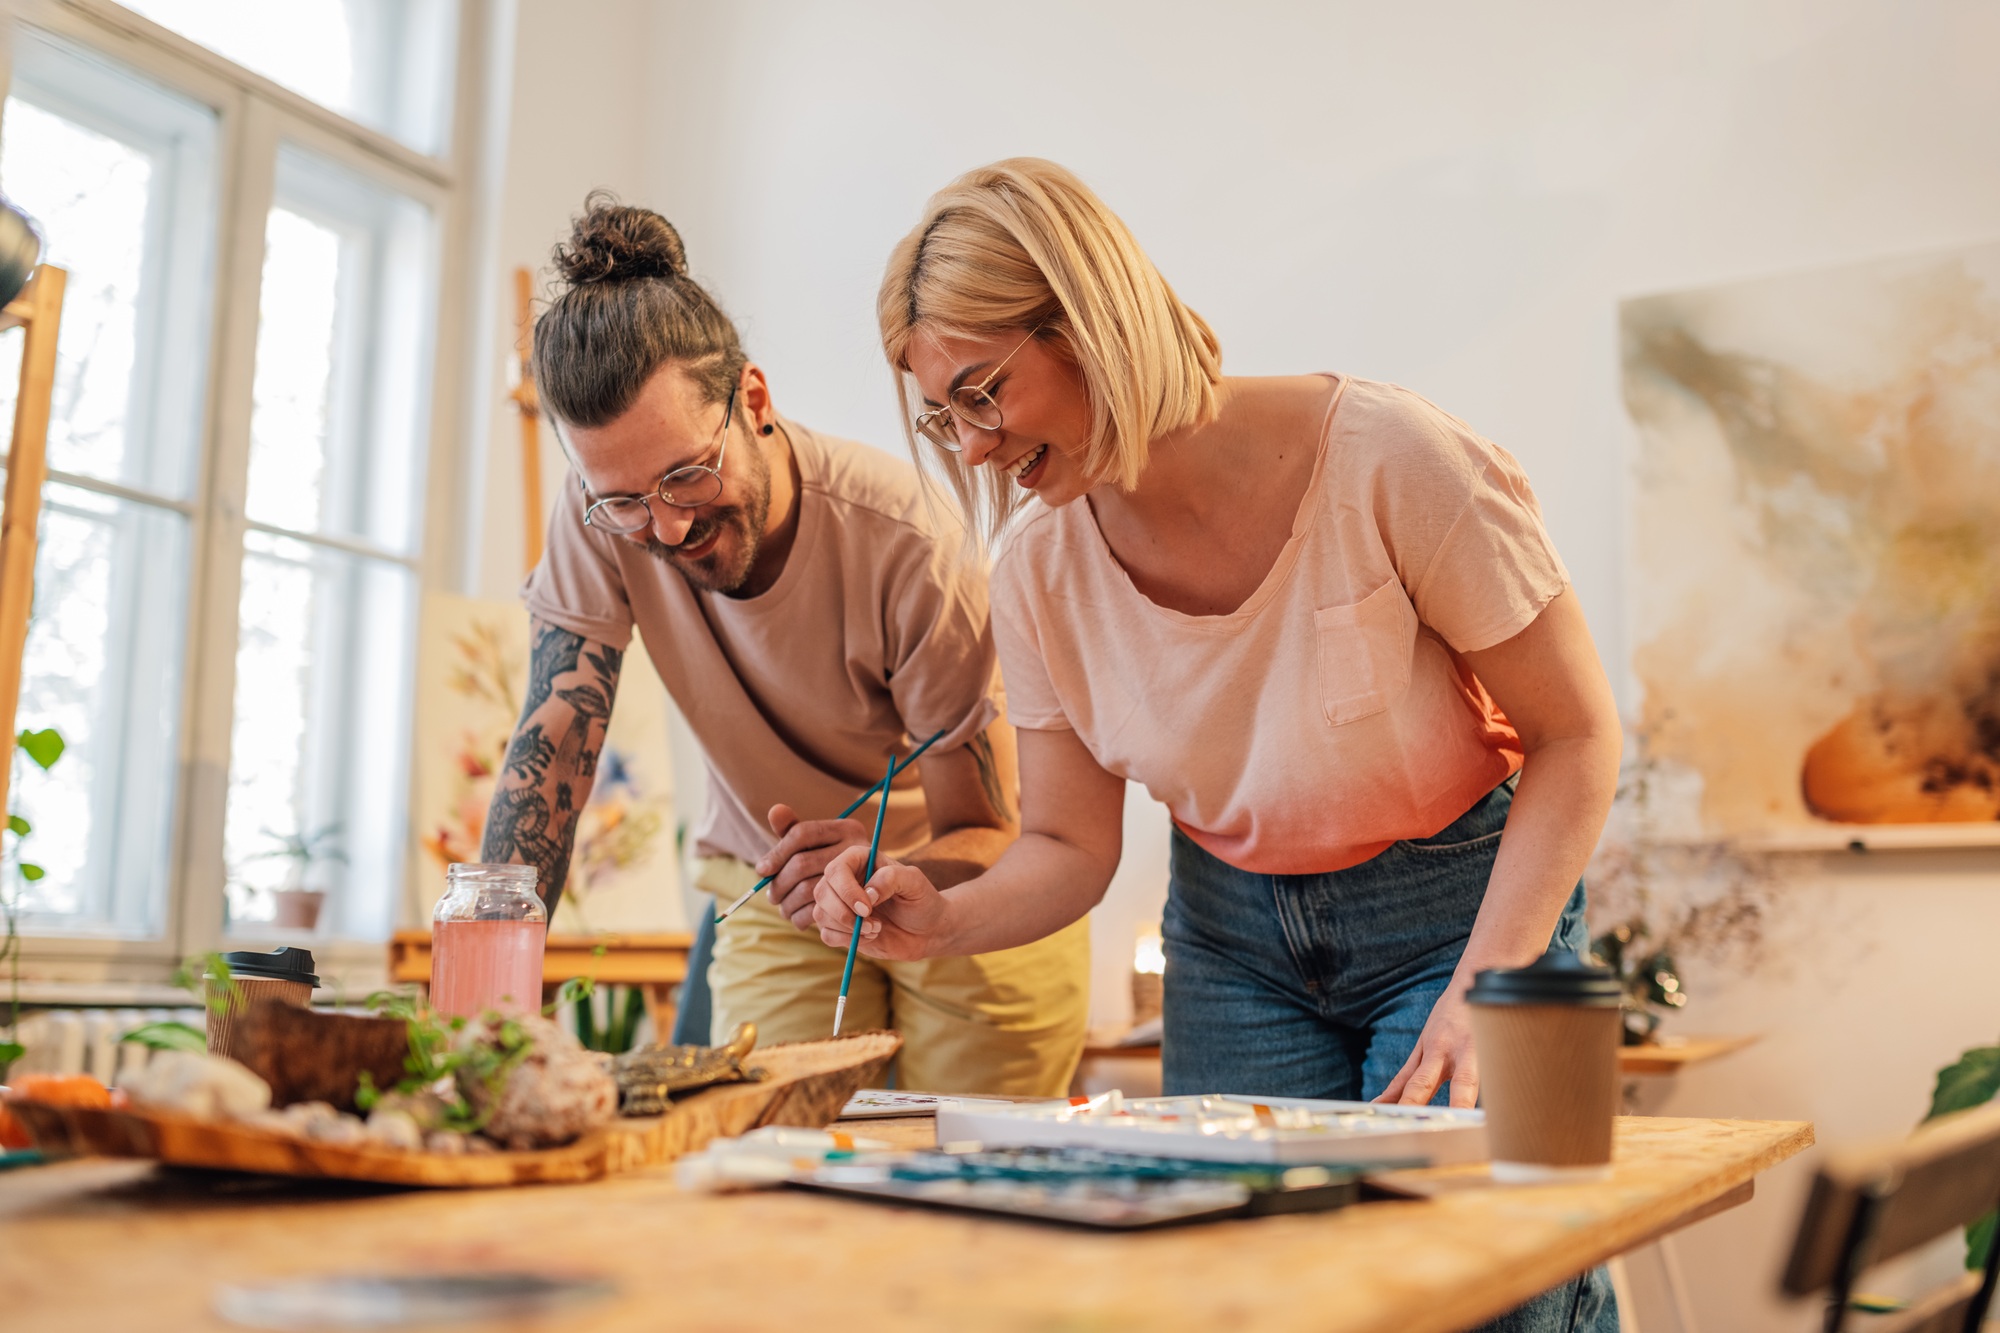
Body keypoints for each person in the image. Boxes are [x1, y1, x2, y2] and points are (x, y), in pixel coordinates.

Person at [816, 159, 1623, 1331]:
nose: (975, 450)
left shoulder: (1391, 459)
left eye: (984, 393)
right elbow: (1065, 844)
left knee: (1483, 1292)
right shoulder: (1038, 575)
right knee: (1243, 1294)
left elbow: (1575, 735)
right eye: (945, 420)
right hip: (1232, 942)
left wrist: (1487, 990)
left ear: (1086, 317)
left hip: (1459, 912)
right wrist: (947, 918)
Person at [479, 193, 1089, 1097]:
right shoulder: (597, 515)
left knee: (954, 1174)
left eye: (688, 474)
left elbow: (986, 825)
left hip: (958, 883)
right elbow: (554, 746)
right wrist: (486, 999)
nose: (668, 526)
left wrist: (878, 870)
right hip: (775, 885)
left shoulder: (912, 543)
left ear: (752, 400)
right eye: (625, 500)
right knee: (770, 1153)